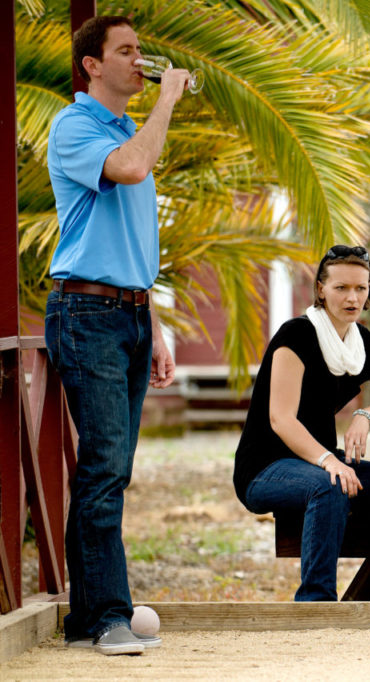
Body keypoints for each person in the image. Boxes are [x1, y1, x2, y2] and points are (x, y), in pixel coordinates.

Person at [45, 15, 191, 655]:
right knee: (103, 467)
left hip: (127, 314)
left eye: (141, 51)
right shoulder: (77, 127)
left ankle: (92, 618)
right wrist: (165, 101)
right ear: (92, 65)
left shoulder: (129, 129)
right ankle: (108, 617)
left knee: (115, 469)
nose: (140, 60)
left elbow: (130, 239)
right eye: (126, 51)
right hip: (87, 315)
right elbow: (129, 171)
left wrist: (151, 317)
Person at [233, 245, 370, 602]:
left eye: (361, 288)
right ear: (321, 289)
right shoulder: (296, 336)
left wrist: (364, 415)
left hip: (319, 462)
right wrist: (329, 461)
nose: (352, 298)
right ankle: (316, 604)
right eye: (341, 288)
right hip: (266, 466)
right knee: (331, 484)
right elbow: (281, 419)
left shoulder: (360, 342)